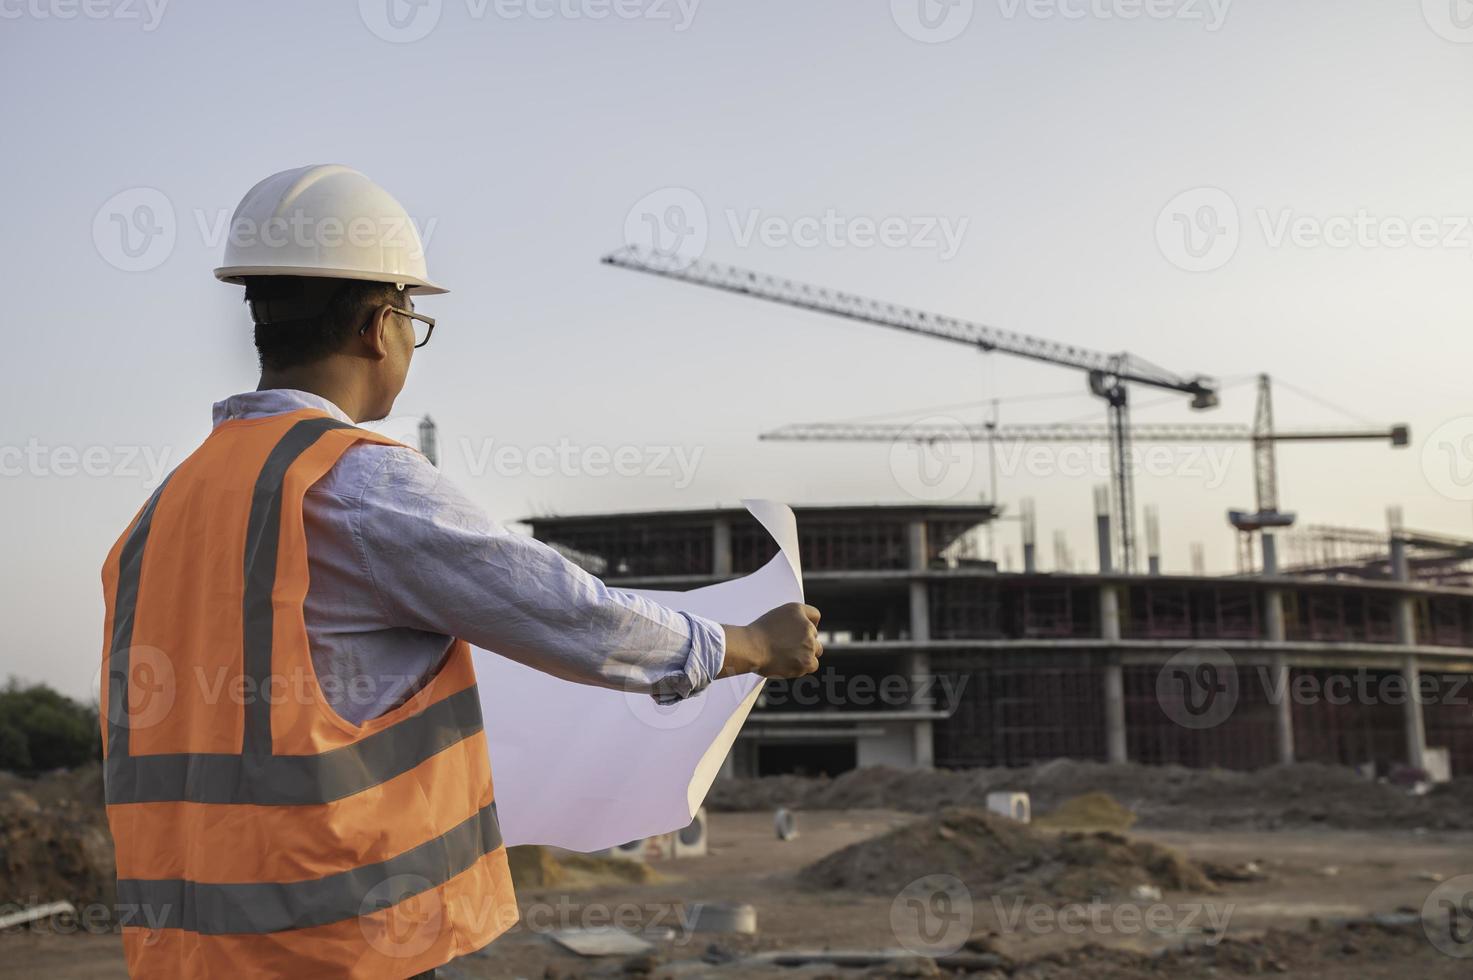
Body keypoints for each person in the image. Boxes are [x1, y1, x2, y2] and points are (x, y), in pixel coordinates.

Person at [99, 164, 823, 979]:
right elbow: (569, 615)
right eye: (415, 319)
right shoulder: (354, 483)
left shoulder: (165, 511)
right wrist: (750, 644)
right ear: (380, 325)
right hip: (338, 940)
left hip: (189, 949)